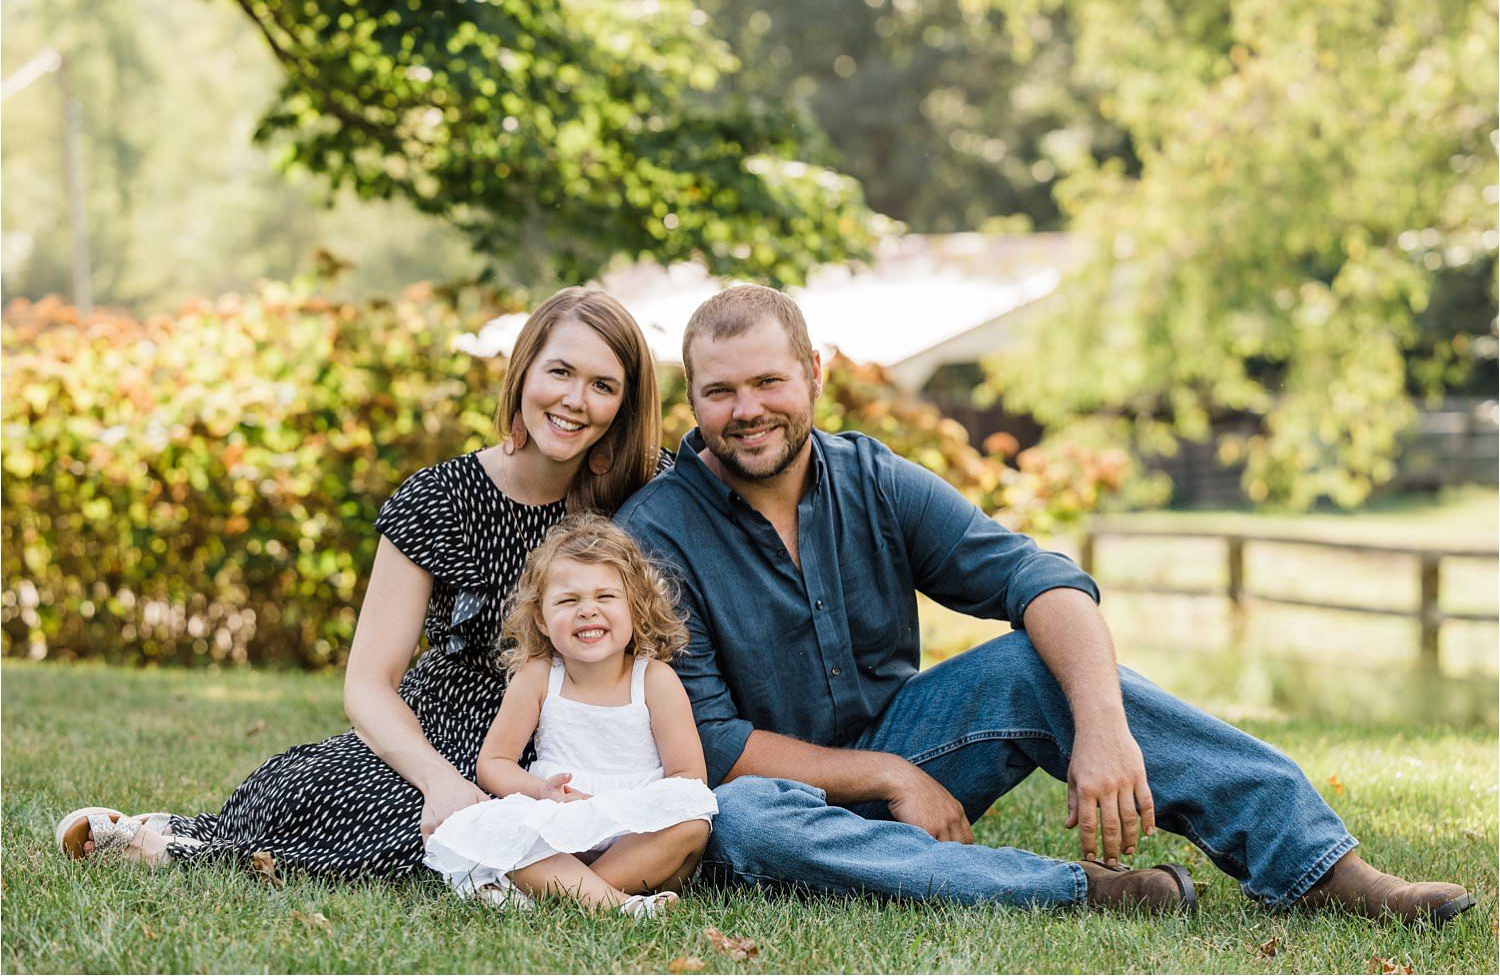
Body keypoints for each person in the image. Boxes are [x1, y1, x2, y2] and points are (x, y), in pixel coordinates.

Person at [614, 283, 1476, 923]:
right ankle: (1079, 891)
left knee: (1036, 660)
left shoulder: (872, 479)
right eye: (719, 391)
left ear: (812, 373)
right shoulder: (656, 530)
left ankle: (1323, 867)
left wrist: (1100, 726)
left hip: (906, 745)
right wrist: (891, 775)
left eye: (767, 382)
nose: (746, 410)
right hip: (766, 794)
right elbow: (716, 747)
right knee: (748, 824)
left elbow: (1042, 578)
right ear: (692, 394)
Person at [55, 286, 668, 880]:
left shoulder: (643, 497)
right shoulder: (441, 498)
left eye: (603, 386)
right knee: (317, 796)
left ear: (626, 403)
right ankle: (177, 837)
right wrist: (439, 781)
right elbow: (369, 684)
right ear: (524, 371)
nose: (575, 400)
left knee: (454, 843)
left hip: (569, 749)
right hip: (445, 734)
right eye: (559, 372)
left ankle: (173, 851)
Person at [423, 515, 716, 918]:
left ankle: (555, 894)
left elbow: (688, 776)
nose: (587, 611)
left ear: (636, 606)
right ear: (542, 617)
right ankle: (619, 905)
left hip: (631, 827)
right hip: (557, 823)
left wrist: (626, 808)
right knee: (493, 830)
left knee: (691, 825)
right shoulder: (538, 676)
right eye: (567, 600)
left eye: (605, 597)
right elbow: (493, 763)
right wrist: (539, 790)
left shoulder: (654, 679)